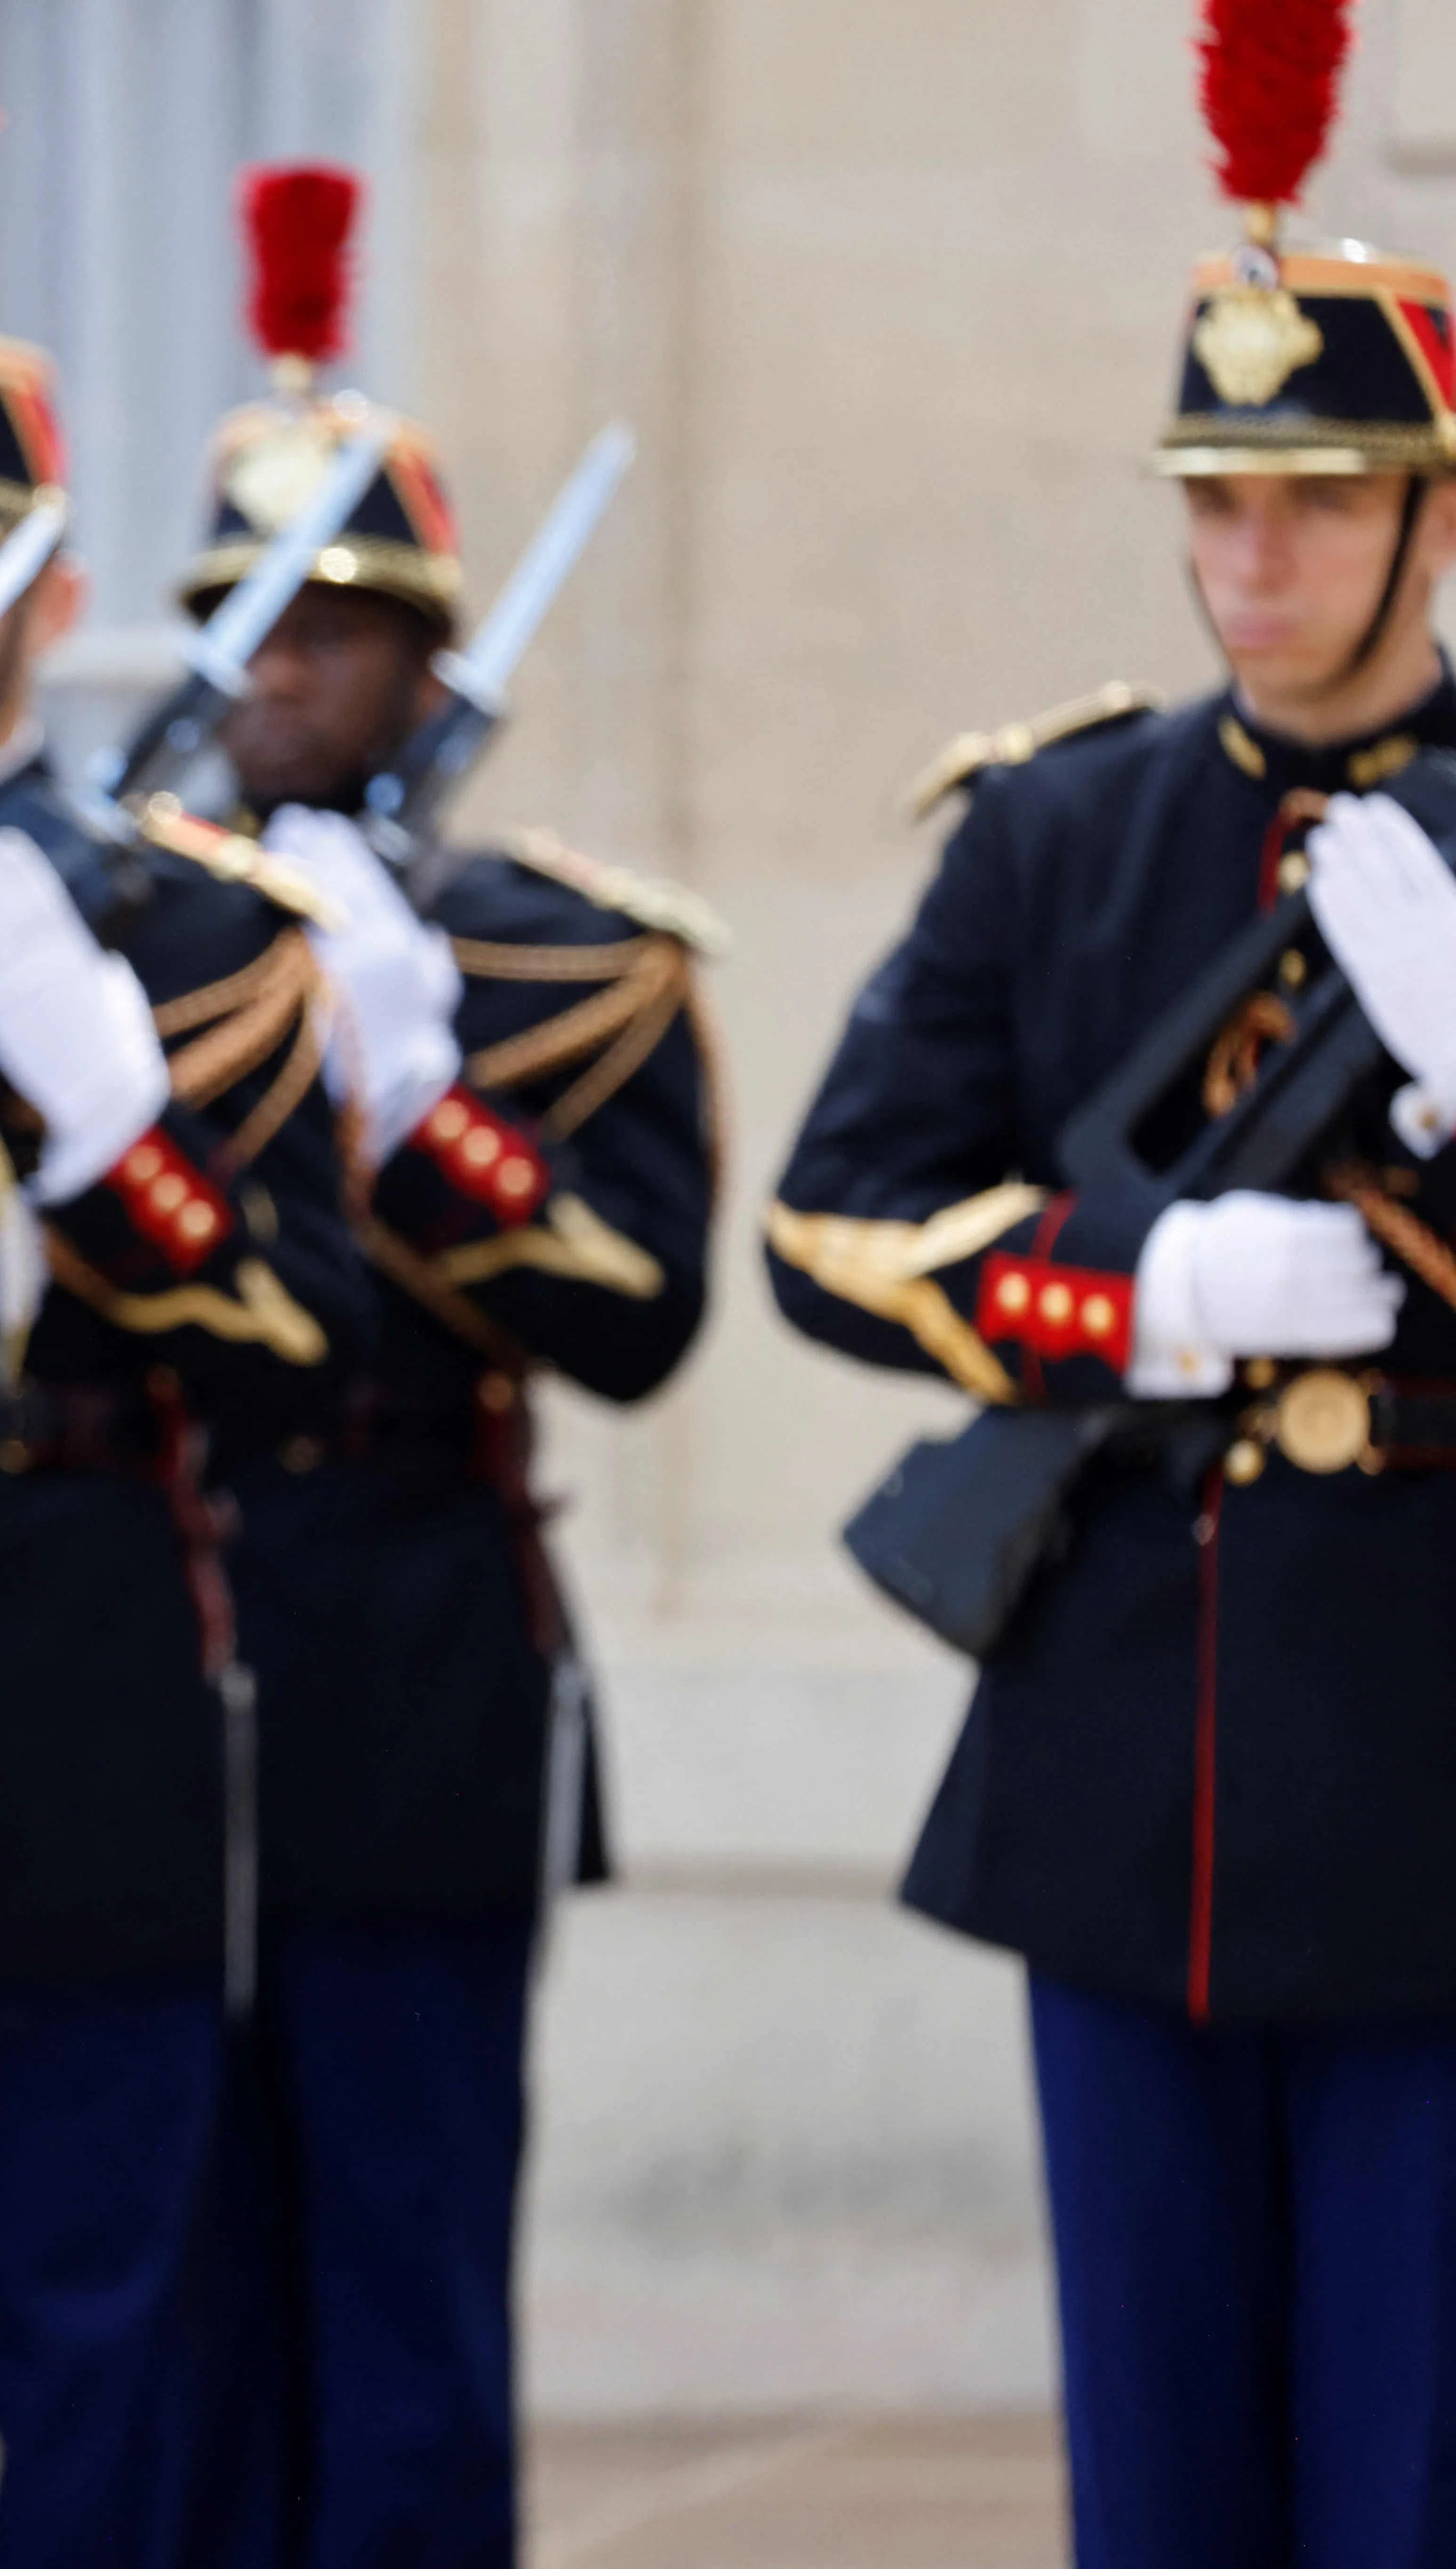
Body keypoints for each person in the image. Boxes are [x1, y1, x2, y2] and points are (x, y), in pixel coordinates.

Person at [766, 11, 1456, 2553]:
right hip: (1133, 1755)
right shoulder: (1062, 838)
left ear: (1429, 512)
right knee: (1161, 2483)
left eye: (1316, 495)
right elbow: (835, 1216)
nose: (1253, 552)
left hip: (1426, 1770)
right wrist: (1155, 1287)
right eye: (1220, 497)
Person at [0, 88, 377, 2569]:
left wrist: (84, 1085)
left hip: (85, 1664)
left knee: (114, 2348)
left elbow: (291, 1347)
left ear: (49, 592)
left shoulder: (194, 926)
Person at [181, 162, 721, 2569]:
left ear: (429, 662)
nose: (275, 673)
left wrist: (425, 1108)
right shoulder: (120, 926)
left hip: (406, 1654)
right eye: (244, 628)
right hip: (142, 1656)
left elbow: (635, 1315)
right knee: (162, 2309)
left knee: (401, 2282)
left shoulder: (559, 960)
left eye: (334, 630)